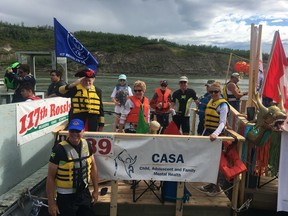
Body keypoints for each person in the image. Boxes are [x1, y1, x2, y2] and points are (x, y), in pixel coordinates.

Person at [46, 118, 98, 216]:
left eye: (77, 131)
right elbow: (50, 177)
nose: (74, 134)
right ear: (68, 131)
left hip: (84, 193)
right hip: (65, 197)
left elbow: (93, 167)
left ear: (83, 131)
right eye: (72, 131)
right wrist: (51, 203)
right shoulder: (58, 150)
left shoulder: (87, 145)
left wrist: (96, 190)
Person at [200, 82, 230, 195]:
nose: (213, 94)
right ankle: (211, 184)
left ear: (220, 92)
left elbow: (222, 123)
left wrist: (215, 134)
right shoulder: (211, 101)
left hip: (216, 135)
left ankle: (216, 187)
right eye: (211, 92)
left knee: (215, 161)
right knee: (208, 160)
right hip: (207, 132)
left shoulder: (223, 105)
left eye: (216, 92)